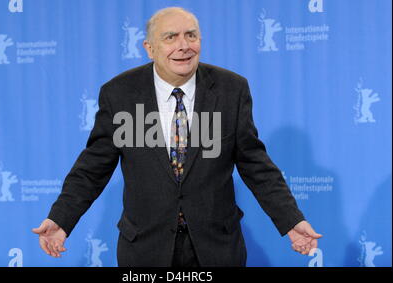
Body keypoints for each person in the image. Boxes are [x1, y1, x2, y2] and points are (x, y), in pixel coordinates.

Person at [32, 7, 322, 267]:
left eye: (191, 36)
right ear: (150, 48)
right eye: (170, 37)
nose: (183, 46)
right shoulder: (120, 94)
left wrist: (291, 221)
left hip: (216, 248)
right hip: (145, 249)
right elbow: (92, 168)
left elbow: (255, 165)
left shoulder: (230, 89)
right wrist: (61, 218)